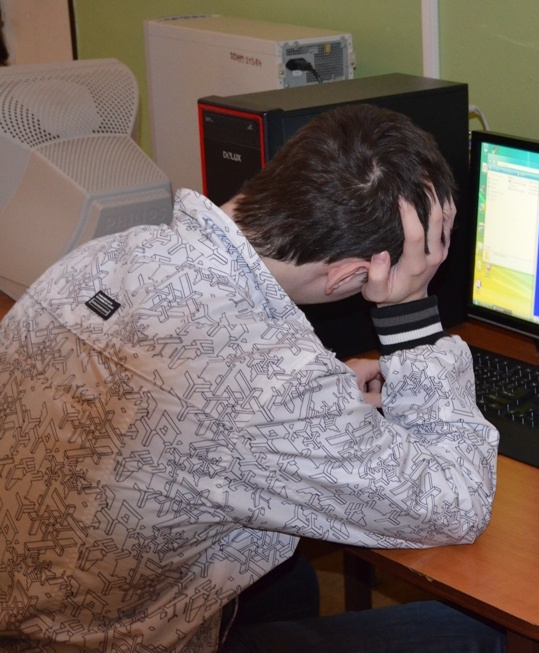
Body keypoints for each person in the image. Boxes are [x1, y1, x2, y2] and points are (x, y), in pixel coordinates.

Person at [0, 104, 503, 652]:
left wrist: (317, 398)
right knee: (465, 636)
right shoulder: (272, 386)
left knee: (290, 582)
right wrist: (409, 308)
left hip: (34, 601)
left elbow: (182, 397)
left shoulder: (109, 254)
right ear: (349, 276)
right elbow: (457, 505)